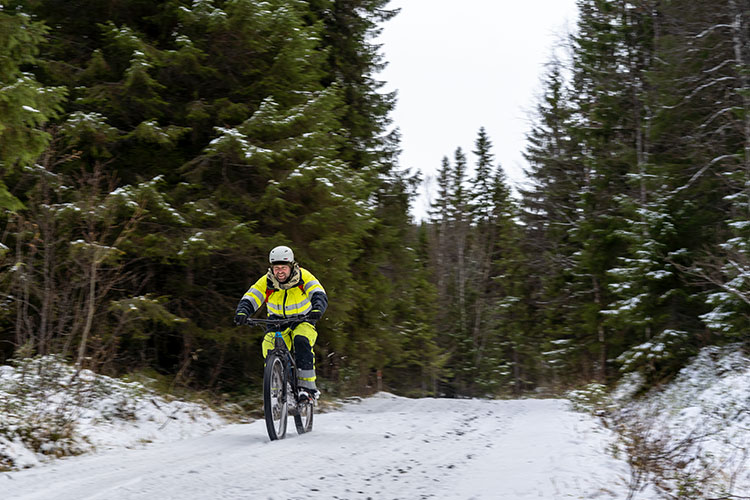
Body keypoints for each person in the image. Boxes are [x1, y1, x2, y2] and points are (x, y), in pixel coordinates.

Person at [233, 245, 327, 402]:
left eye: (283, 267)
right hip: (276, 323)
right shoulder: (267, 281)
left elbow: (318, 293)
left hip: (302, 320)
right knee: (268, 346)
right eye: (276, 268)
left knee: (301, 341)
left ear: (291, 266)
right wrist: (243, 312)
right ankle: (277, 391)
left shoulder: (304, 277)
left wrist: (317, 309)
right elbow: (252, 297)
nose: (280, 271)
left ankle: (307, 388)